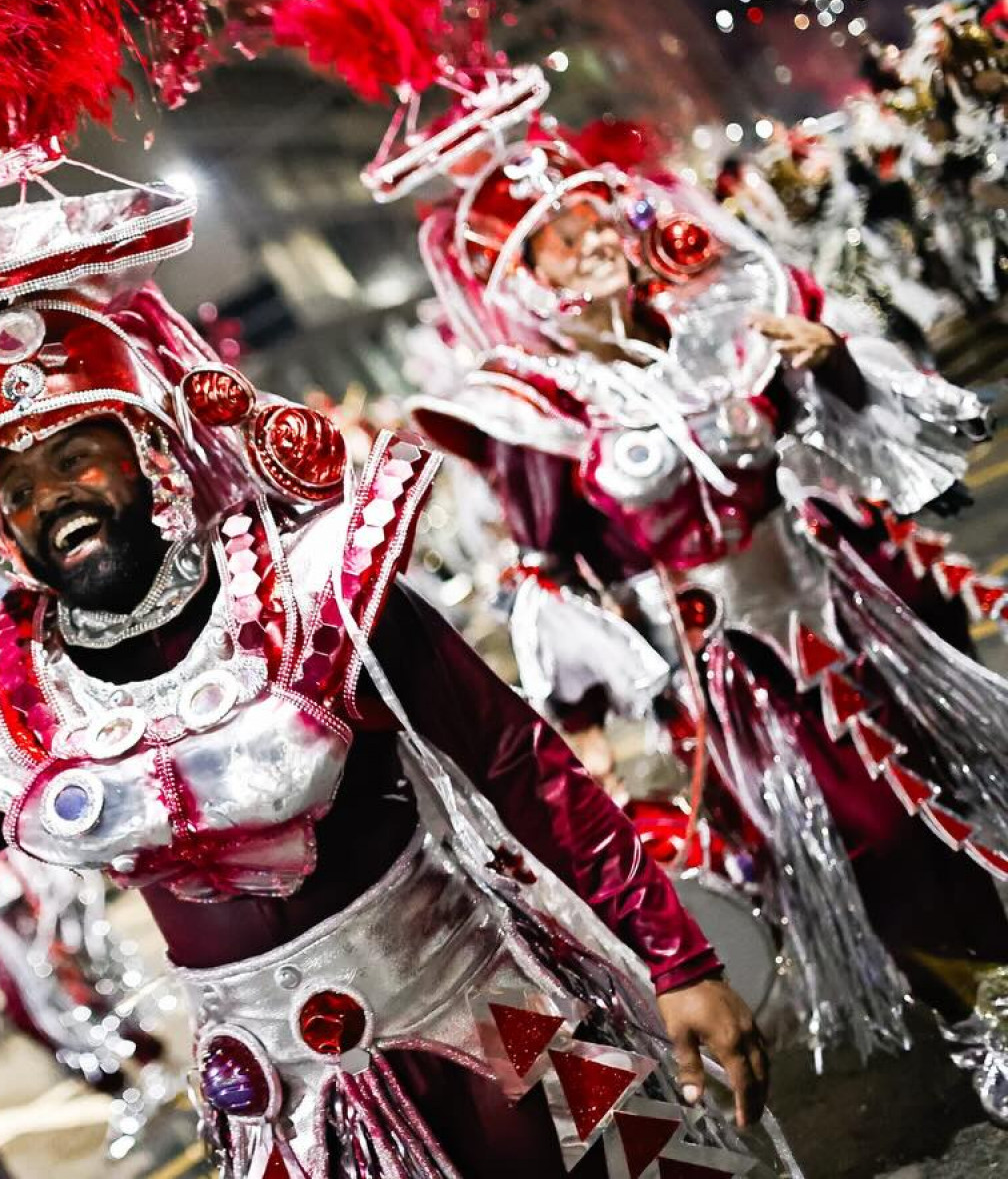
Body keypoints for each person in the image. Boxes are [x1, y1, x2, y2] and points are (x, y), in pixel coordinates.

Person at [0, 156, 776, 1174]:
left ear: (150, 457)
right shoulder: (20, 701)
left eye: (76, 457)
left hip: (492, 1024)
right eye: (20, 488)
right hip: (283, 1113)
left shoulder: (315, 591)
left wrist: (673, 961)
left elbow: (515, 766)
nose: (55, 502)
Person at [408, 132, 1008, 1105]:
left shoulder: (715, 317)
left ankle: (997, 979)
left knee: (942, 794)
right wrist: (591, 718)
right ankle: (978, 1013)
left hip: (853, 608)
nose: (590, 241)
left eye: (589, 218)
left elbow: (834, 433)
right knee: (867, 839)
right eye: (556, 239)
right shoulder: (533, 409)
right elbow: (547, 566)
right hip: (736, 671)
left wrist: (826, 365)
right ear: (517, 280)